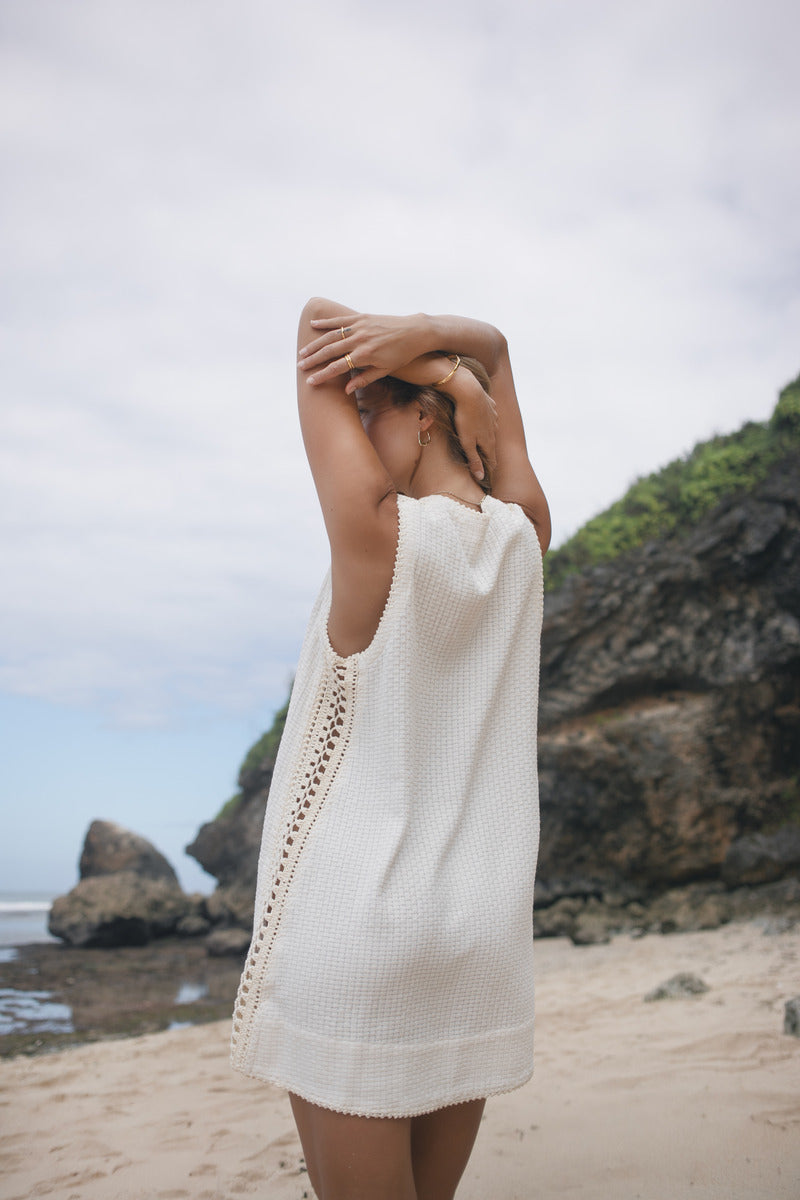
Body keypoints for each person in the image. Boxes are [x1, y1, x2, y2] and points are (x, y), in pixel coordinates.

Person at [230, 298, 550, 1200]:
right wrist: (453, 369)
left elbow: (312, 328)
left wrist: (448, 374)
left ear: (424, 419)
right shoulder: (524, 539)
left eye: (371, 405)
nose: (361, 429)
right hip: (480, 940)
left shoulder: (378, 541)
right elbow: (497, 350)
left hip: (356, 934)